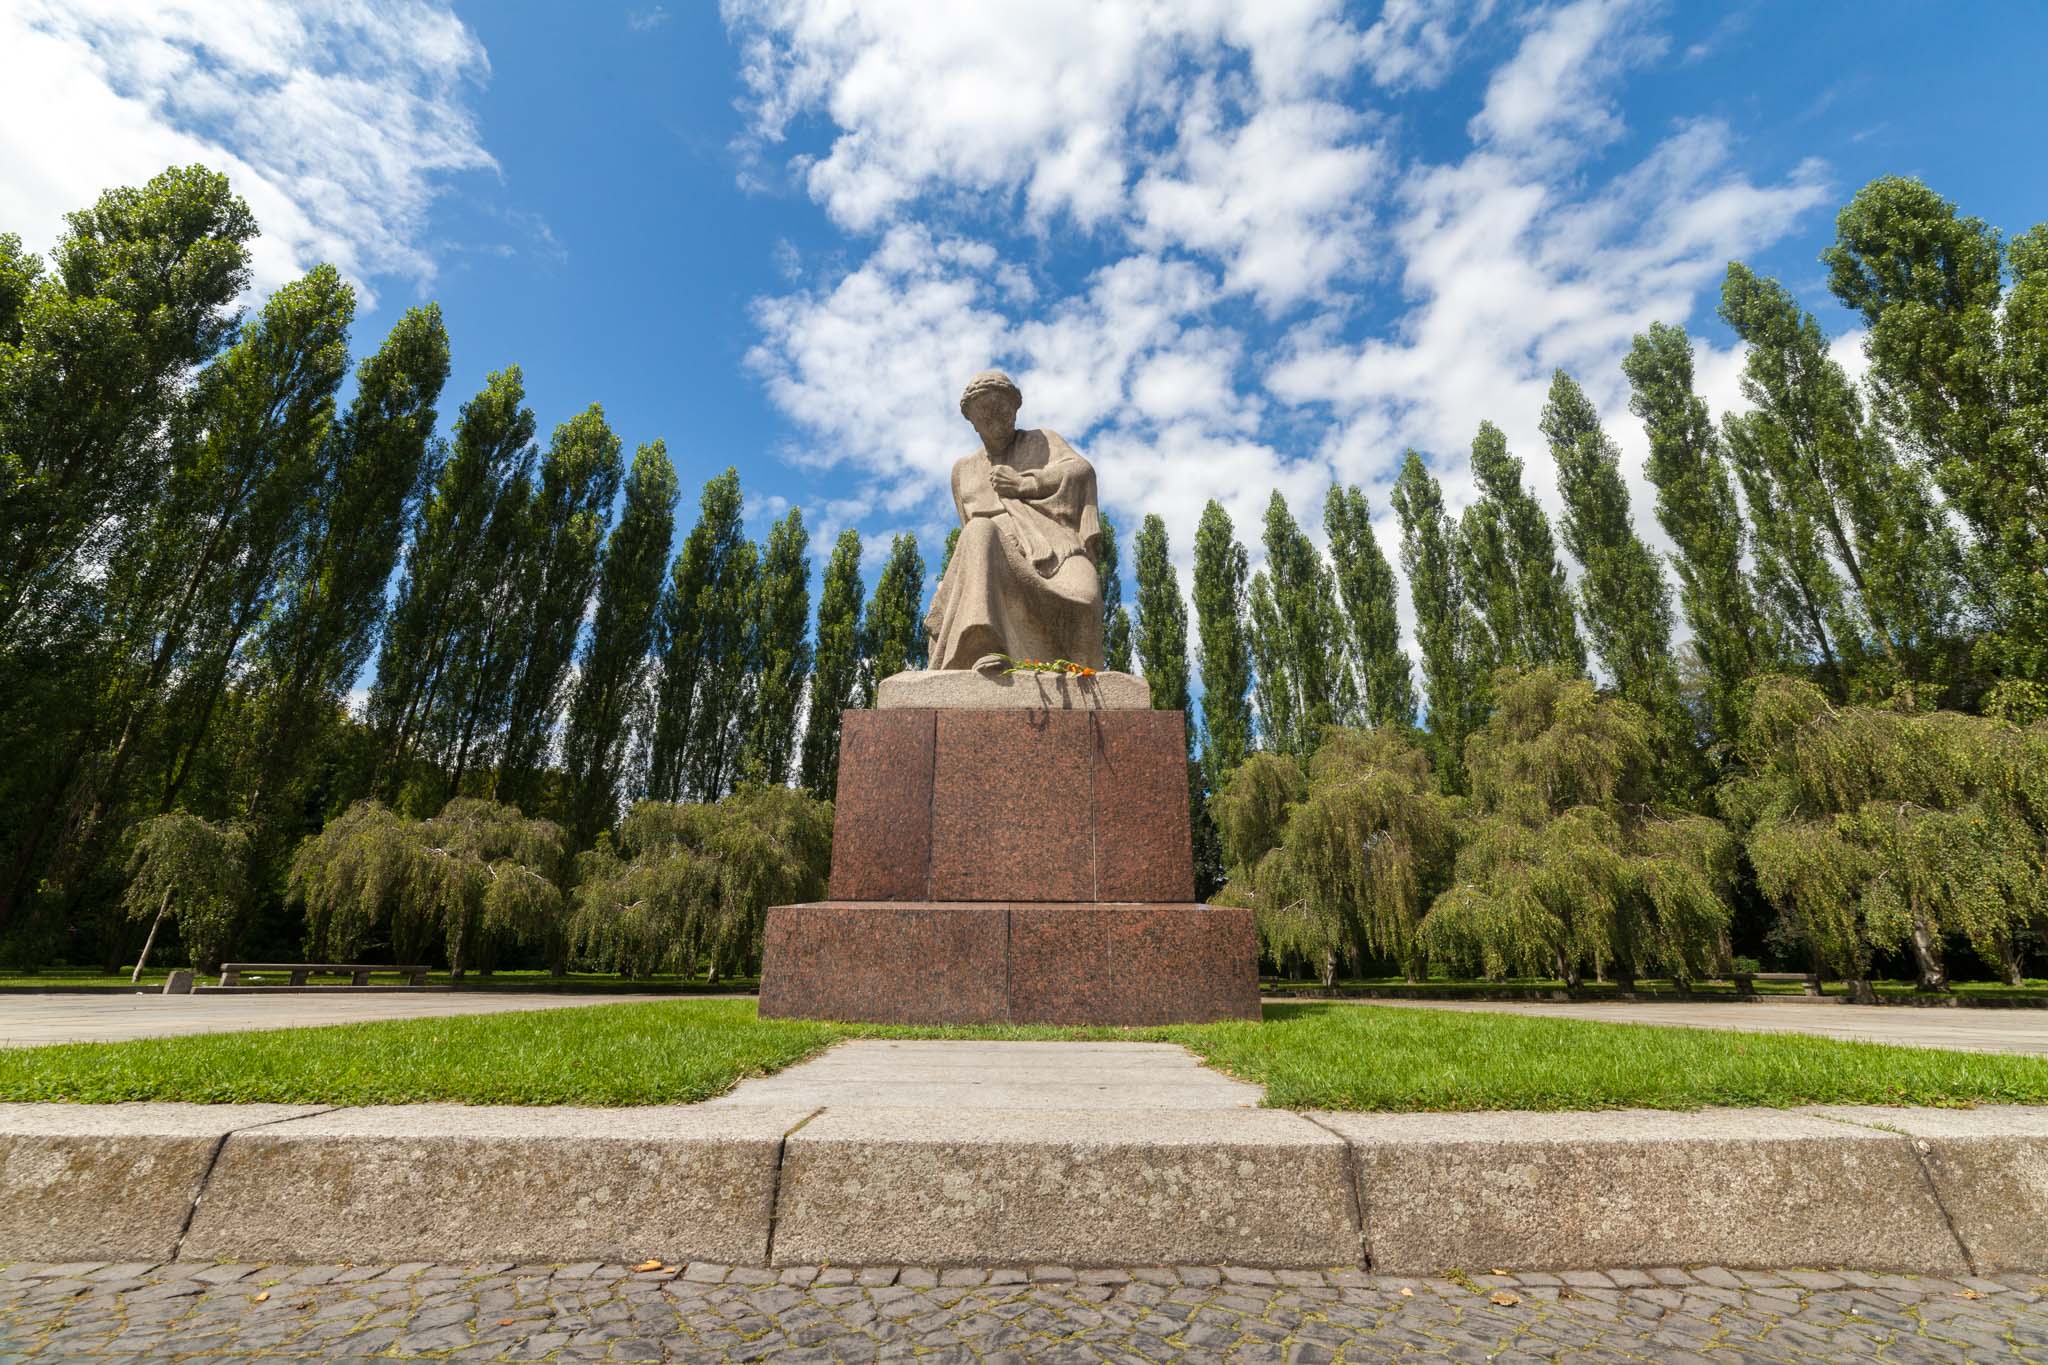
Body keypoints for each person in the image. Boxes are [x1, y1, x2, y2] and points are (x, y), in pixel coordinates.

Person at [923, 369, 1105, 670]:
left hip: (1051, 547)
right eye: (985, 414)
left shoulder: (1042, 442)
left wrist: (1026, 484)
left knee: (1084, 599)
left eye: (1003, 410)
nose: (995, 419)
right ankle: (984, 644)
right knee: (980, 531)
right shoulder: (962, 471)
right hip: (992, 558)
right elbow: (968, 534)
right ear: (972, 421)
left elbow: (1081, 471)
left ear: (1015, 410)